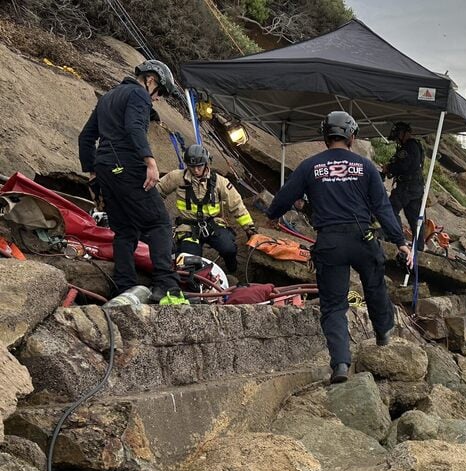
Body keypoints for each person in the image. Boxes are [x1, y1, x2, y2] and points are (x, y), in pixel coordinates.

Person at [265, 111, 413, 384]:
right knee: (375, 286)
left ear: (325, 137)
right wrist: (400, 242)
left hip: (329, 242)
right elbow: (383, 207)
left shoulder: (310, 166)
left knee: (333, 305)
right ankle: (383, 332)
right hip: (362, 239)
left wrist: (273, 214)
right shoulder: (365, 167)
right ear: (352, 137)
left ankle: (341, 365)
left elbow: (286, 195)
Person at [78, 60, 182, 304]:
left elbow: (86, 137)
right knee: (158, 223)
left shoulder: (108, 97)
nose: (158, 99)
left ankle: (124, 287)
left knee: (125, 230)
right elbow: (134, 127)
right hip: (126, 165)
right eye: (161, 93)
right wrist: (150, 162)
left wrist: (93, 174)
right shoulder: (138, 94)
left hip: (105, 169)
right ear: (151, 80)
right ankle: (167, 287)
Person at [157, 144, 257, 274]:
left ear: (206, 163)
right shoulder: (176, 177)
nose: (196, 170)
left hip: (213, 225)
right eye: (192, 167)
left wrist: (250, 229)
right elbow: (157, 192)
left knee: (229, 249)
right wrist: (156, 214)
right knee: (189, 260)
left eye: (199, 166)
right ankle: (196, 281)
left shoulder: (220, 182)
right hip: (188, 228)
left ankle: (233, 271)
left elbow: (237, 205)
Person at [382, 121, 425, 251]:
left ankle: (396, 237)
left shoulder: (408, 147)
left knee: (389, 209)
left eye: (398, 135)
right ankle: (419, 247)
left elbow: (403, 165)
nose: (397, 140)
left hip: (407, 186)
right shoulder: (415, 146)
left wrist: (388, 168)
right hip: (416, 186)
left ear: (403, 133)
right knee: (415, 217)